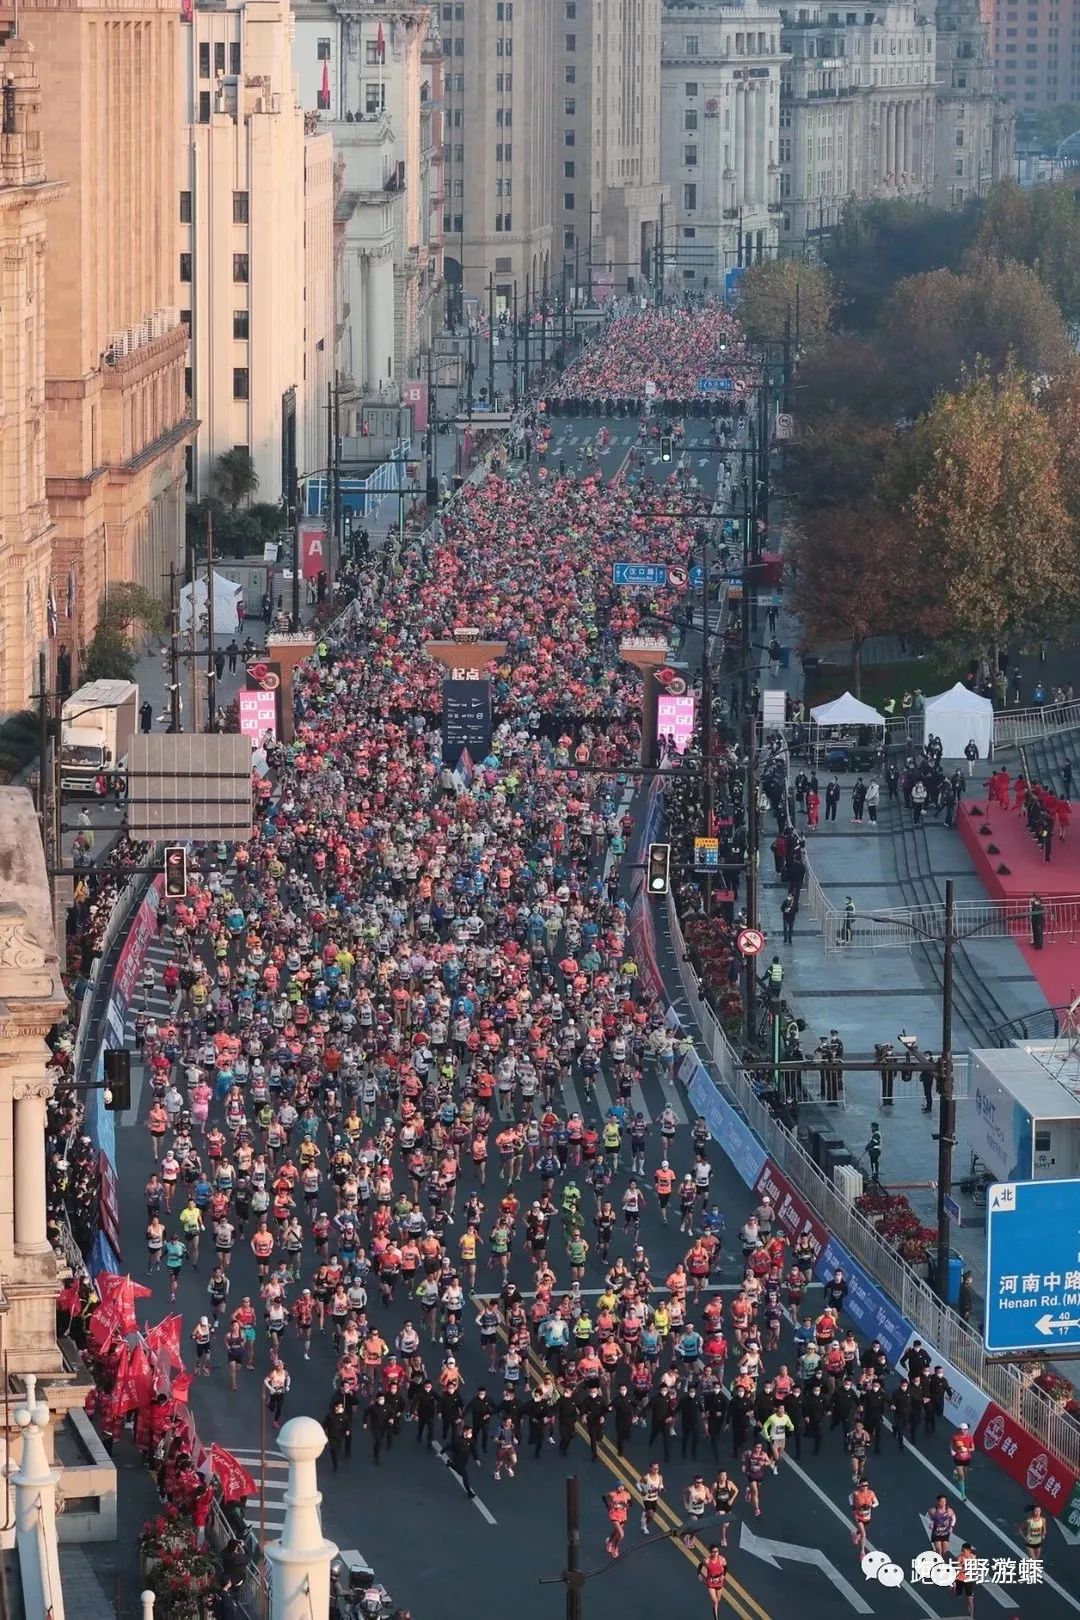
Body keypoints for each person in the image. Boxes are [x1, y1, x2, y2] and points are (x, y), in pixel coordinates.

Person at [850, 1478, 878, 1556]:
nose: (865, 1487)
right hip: (858, 1516)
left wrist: (870, 1506)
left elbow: (877, 1503)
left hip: (867, 1516)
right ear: (860, 1486)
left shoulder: (871, 1493)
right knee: (864, 1534)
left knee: (861, 1530)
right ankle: (862, 1552)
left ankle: (855, 1534)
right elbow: (850, 1498)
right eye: (863, 1485)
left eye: (866, 1485)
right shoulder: (856, 1493)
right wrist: (853, 1507)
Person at [698, 1546, 728, 1617]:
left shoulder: (722, 1559)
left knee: (718, 1600)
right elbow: (700, 1565)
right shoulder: (707, 1560)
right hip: (710, 1582)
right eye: (713, 1552)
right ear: (710, 1552)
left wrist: (723, 1575)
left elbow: (726, 1567)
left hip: (719, 1582)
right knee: (715, 1601)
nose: (715, 1553)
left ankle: (715, 1607)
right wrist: (699, 1574)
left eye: (716, 1551)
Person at [604, 1484, 632, 1558]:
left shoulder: (627, 1494)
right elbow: (604, 1496)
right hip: (614, 1515)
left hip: (623, 1516)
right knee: (621, 1534)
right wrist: (608, 1505)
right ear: (616, 1487)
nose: (621, 1488)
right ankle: (615, 1547)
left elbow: (630, 1503)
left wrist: (627, 1506)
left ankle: (610, 1541)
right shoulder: (613, 1494)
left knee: (616, 1531)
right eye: (619, 1486)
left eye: (622, 1486)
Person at [951, 1422, 975, 1499]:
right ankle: (963, 1494)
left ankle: (956, 1473)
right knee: (961, 1477)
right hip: (958, 1459)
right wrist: (954, 1451)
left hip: (967, 1459)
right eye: (963, 1430)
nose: (964, 1431)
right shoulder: (956, 1437)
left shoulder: (970, 1437)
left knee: (964, 1476)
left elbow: (973, 1448)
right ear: (960, 1430)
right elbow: (952, 1445)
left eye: (966, 1429)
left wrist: (966, 1449)